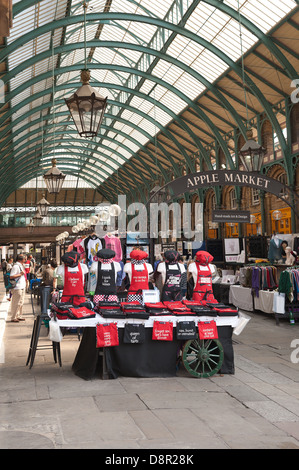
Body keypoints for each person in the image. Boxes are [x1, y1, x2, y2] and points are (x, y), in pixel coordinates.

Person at [9, 254, 26, 322]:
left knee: (21, 302)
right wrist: (20, 274)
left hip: (22, 286)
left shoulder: (20, 266)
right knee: (16, 302)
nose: (25, 260)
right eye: (24, 259)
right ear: (21, 259)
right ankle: (13, 317)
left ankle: (18, 315)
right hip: (17, 287)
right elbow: (11, 276)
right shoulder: (16, 266)